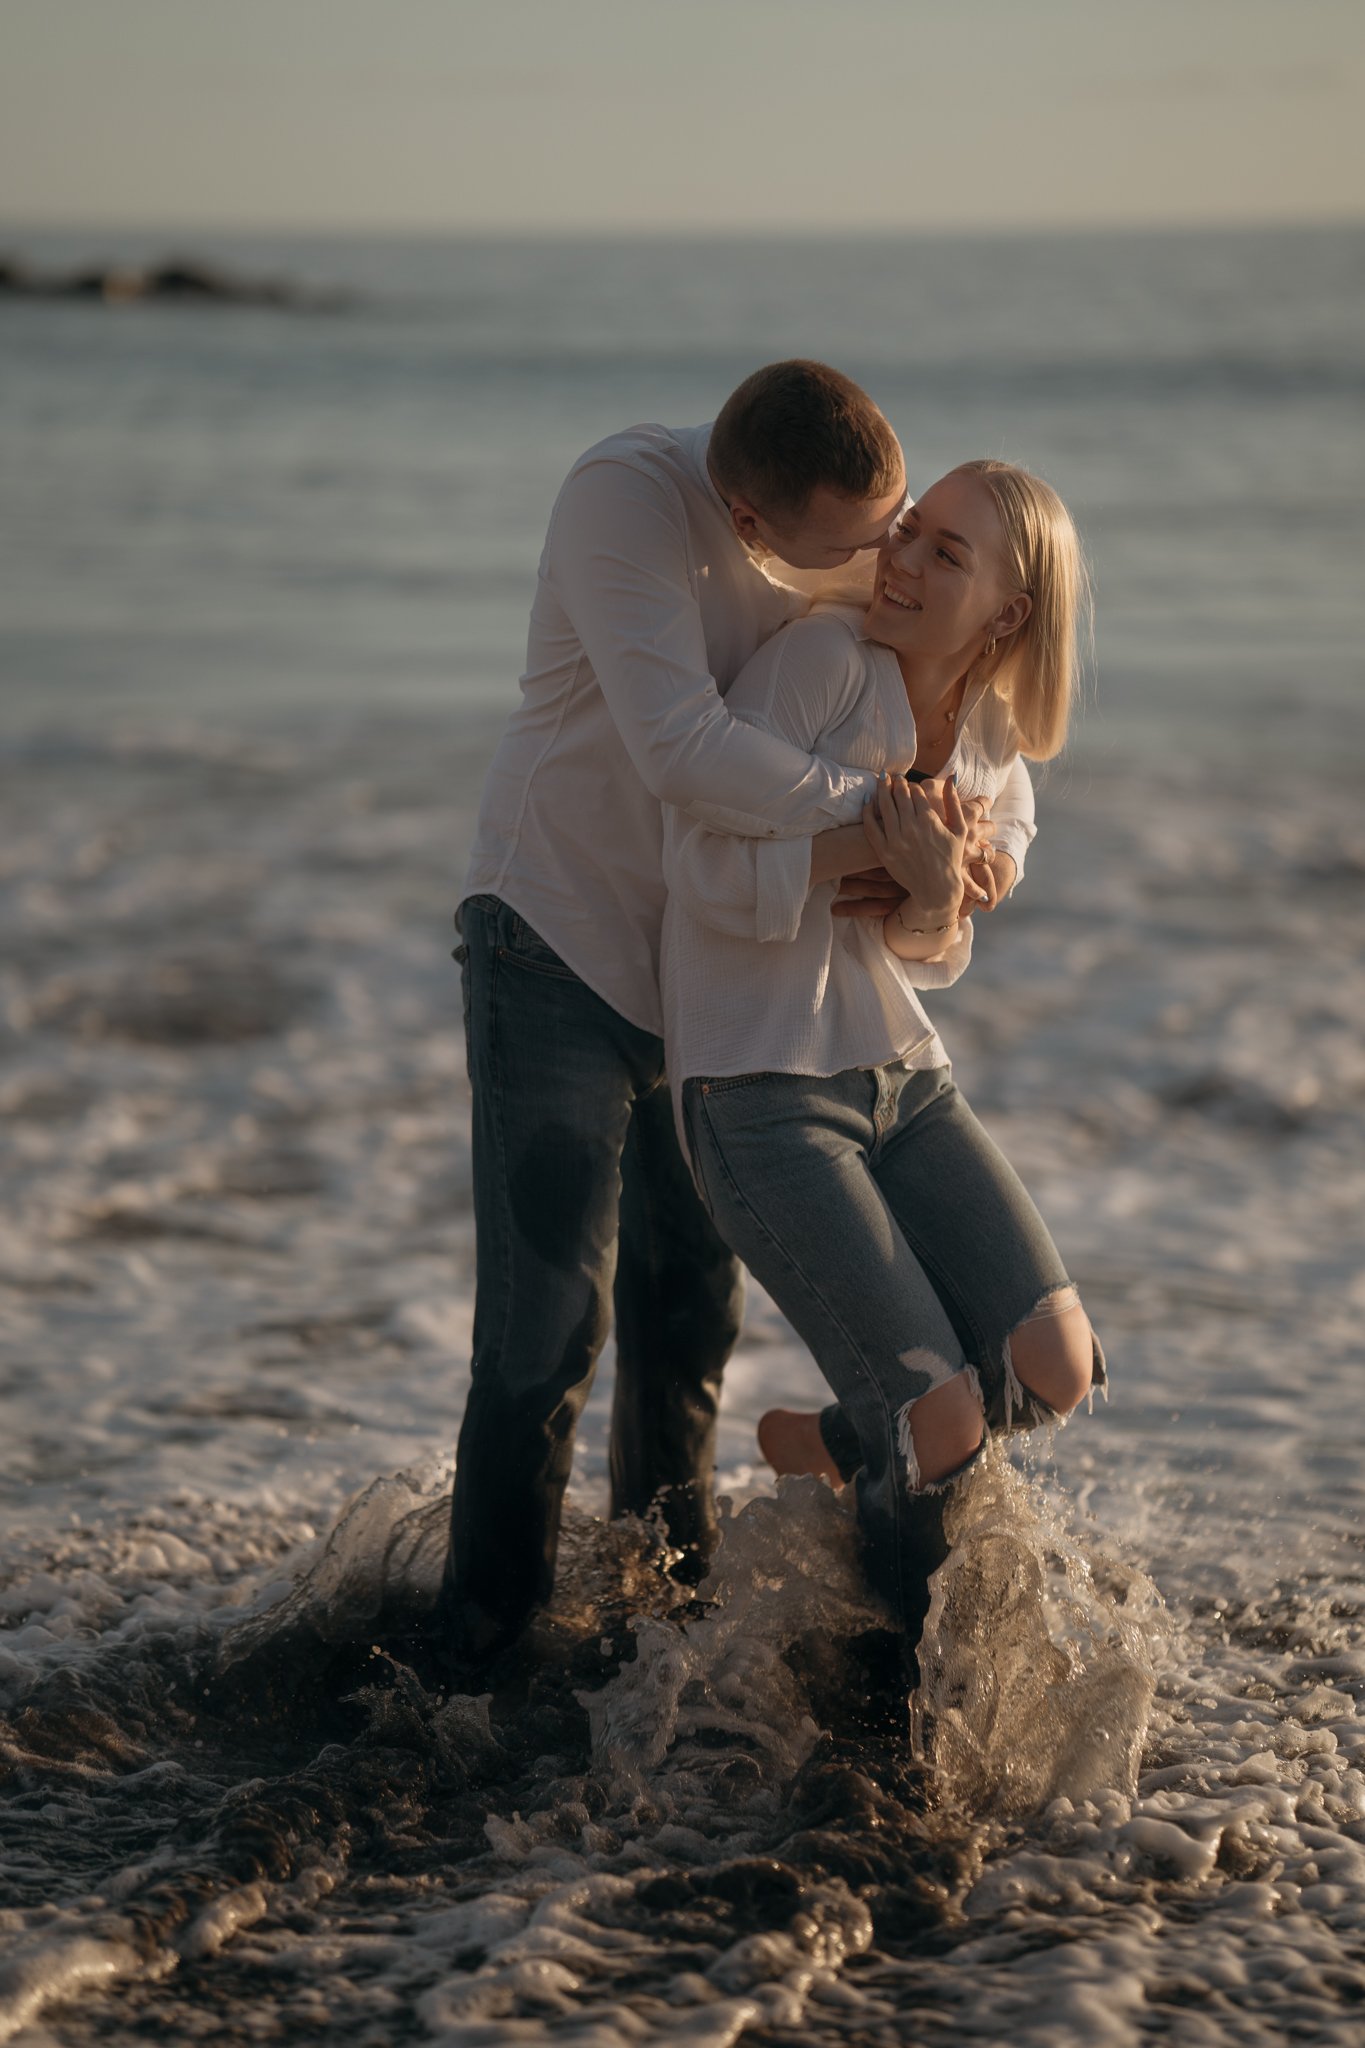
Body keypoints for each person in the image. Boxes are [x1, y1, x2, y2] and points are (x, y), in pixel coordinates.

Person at [439, 361, 989, 1669]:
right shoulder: (621, 500)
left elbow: (955, 689)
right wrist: (877, 821)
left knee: (690, 1313)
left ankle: (654, 1615)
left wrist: (976, 832)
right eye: (865, 540)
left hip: (711, 971)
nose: (887, 555)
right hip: (555, 939)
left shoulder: (846, 524)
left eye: (899, 519)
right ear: (754, 529)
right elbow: (681, 745)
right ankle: (481, 1653)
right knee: (546, 1331)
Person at [660, 459, 1106, 1680]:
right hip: (758, 1089)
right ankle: (921, 1687)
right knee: (946, 1424)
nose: (900, 560)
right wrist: (867, 844)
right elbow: (695, 874)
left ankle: (853, 1442)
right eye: (909, 532)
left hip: (902, 1071)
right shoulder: (815, 666)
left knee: (1051, 1365)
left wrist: (931, 890)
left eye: (945, 554)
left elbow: (927, 944)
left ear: (1009, 613)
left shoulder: (997, 741)